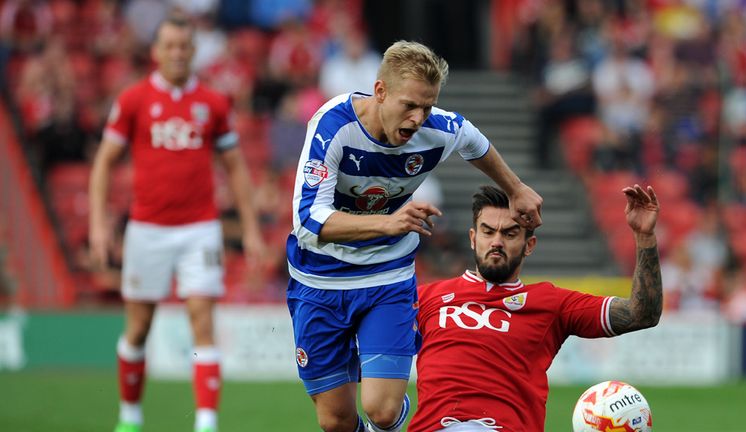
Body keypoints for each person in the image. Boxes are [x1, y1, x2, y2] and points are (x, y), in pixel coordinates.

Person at [286, 40, 543, 432]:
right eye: (409, 105)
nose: (418, 117)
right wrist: (387, 223)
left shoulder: (438, 129)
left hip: (387, 276)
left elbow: (475, 142)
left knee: (382, 411)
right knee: (335, 420)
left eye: (427, 106)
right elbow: (309, 218)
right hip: (318, 278)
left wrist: (516, 189)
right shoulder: (333, 126)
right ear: (380, 91)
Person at [88, 16, 264, 432]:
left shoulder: (214, 103)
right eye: (170, 45)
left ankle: (206, 422)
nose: (178, 53)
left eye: (185, 46)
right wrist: (98, 225)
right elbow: (103, 163)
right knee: (138, 327)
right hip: (146, 229)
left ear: (194, 50)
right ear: (156, 51)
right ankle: (129, 416)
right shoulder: (133, 100)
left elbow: (236, 168)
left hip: (199, 228)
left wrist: (252, 227)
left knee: (203, 320)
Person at [409, 184, 663, 432]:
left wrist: (645, 237)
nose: (496, 241)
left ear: (529, 245)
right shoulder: (426, 297)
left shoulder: (551, 303)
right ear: (474, 239)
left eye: (509, 234)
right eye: (488, 232)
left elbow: (642, 314)